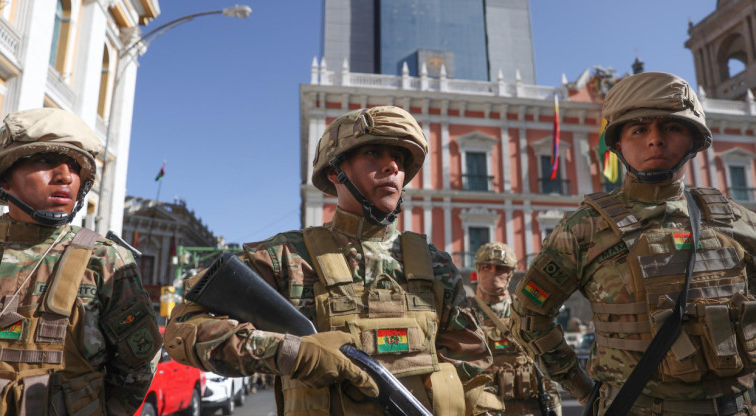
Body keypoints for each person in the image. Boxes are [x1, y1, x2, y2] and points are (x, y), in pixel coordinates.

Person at [165, 106, 498, 415]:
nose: (392, 166)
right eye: (373, 153)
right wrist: (288, 353)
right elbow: (182, 329)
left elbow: (473, 372)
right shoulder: (287, 258)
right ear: (336, 172)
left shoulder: (434, 265)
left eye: (398, 157)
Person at [510, 71, 756, 416]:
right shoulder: (583, 229)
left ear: (694, 139)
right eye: (639, 129)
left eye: (671, 127)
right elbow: (529, 316)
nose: (655, 140)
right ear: (618, 145)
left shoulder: (739, 222)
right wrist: (583, 389)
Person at [0, 108, 161, 415]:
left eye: (76, 167)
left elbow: (139, 364)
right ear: (4, 177)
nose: (65, 176)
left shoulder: (104, 261)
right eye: (45, 160)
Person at [470, 242, 562, 416]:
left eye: (500, 268)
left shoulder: (526, 312)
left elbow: (546, 367)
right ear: (478, 270)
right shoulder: (464, 312)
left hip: (526, 408)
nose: (492, 272)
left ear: (510, 273)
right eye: (486, 267)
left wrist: (555, 409)